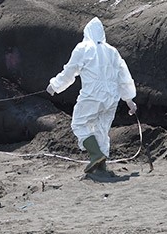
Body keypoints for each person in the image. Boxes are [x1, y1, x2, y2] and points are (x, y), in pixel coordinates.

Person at [46, 17, 137, 175]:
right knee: (101, 129)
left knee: (79, 124)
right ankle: (101, 167)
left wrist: (54, 86)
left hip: (93, 95)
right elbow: (124, 76)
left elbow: (70, 71)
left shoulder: (83, 48)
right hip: (112, 97)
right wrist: (129, 100)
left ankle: (96, 155)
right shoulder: (112, 51)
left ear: (87, 33)